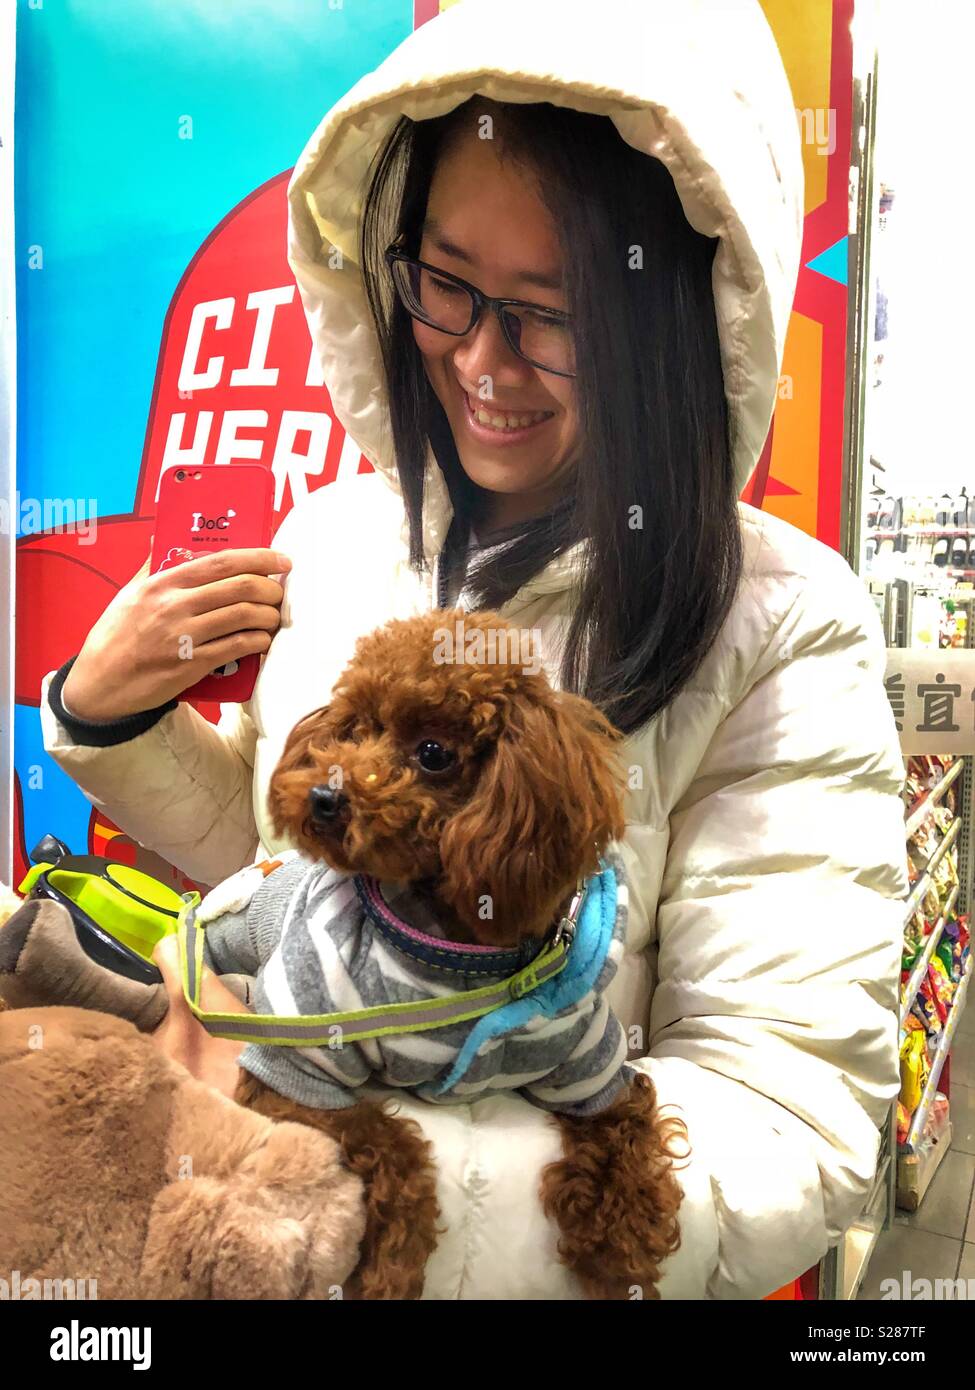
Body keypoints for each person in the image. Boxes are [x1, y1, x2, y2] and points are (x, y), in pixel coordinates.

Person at [39, 0, 909, 1299]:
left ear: (666, 315)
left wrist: (341, 1203)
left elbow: (788, 1113)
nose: (482, 361)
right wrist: (112, 724)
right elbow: (299, 872)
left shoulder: (783, 623)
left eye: (551, 312)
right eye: (446, 283)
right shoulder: (338, 531)